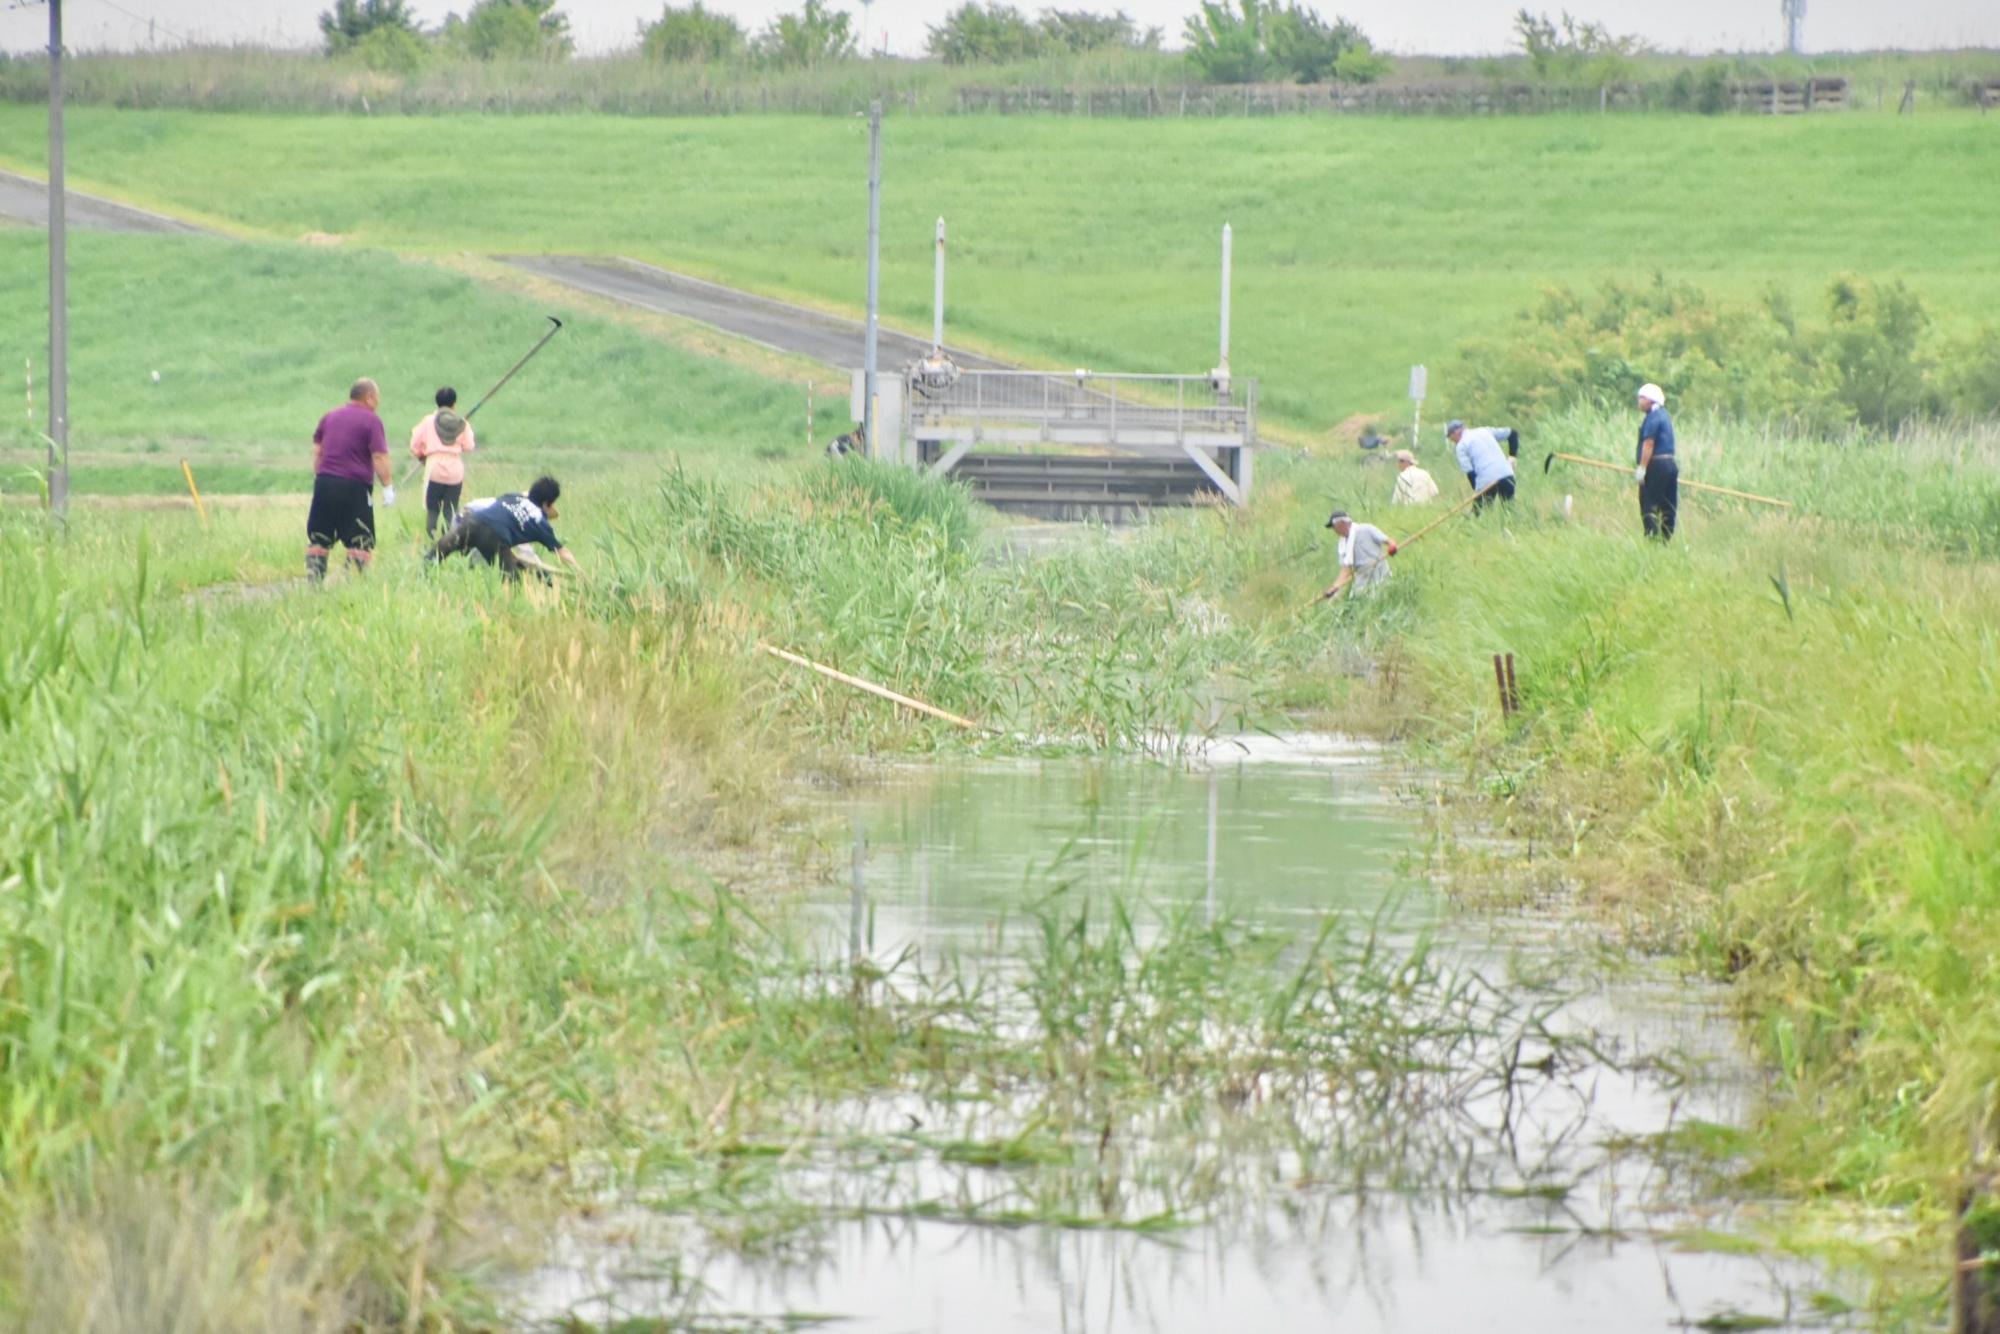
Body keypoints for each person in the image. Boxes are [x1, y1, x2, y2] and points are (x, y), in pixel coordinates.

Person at [307, 377, 393, 584]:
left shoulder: (329, 417)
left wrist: (323, 478)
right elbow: (379, 457)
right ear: (369, 397)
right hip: (355, 487)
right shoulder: (372, 420)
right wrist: (388, 486)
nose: (378, 402)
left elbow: (318, 452)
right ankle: (355, 584)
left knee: (320, 536)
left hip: (325, 483)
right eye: (377, 397)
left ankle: (314, 584)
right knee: (360, 538)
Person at [428, 475, 581, 583]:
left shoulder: (512, 497)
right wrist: (579, 571)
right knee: (512, 580)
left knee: (436, 554)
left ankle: (422, 576)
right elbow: (562, 552)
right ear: (548, 503)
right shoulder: (540, 523)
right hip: (494, 538)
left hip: (470, 522)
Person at [410, 386, 477, 539]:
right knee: (451, 509)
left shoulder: (428, 421)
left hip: (434, 466)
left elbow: (414, 444)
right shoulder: (461, 423)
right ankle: (449, 540)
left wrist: (422, 456)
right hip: (455, 469)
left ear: (437, 402)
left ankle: (431, 538)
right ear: (454, 404)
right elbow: (469, 446)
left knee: (433, 508)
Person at [1319, 509, 1398, 601]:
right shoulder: (1342, 545)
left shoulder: (1366, 529)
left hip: (1379, 570)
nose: (1334, 530)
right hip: (1362, 574)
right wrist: (1334, 588)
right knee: (1357, 600)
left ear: (1341, 523)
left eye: (1334, 527)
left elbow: (1389, 541)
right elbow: (1346, 569)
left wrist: (1392, 546)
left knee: (1383, 596)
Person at [1635, 382, 1678, 542]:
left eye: (1642, 398)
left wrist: (1642, 468)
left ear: (1651, 400)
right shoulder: (1665, 416)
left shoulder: (1653, 418)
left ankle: (1652, 537)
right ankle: (1665, 540)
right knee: (1668, 505)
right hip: (1670, 465)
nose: (1639, 401)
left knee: (1649, 503)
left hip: (1656, 465)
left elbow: (1649, 443)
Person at [1446, 420, 1516, 511]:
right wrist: (1512, 456)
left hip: (1486, 480)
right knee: (1508, 509)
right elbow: (1513, 433)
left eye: (1450, 437)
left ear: (1455, 433)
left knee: (1478, 513)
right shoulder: (1484, 431)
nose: (1451, 441)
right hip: (1507, 474)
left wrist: (1477, 490)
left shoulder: (1461, 445)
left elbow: (1469, 472)